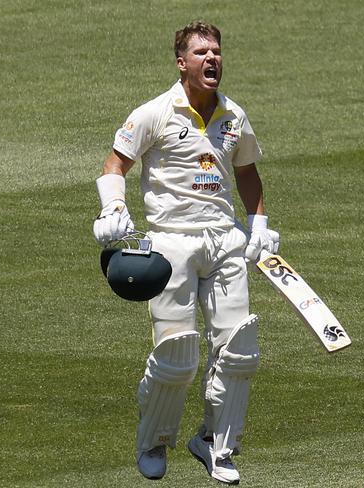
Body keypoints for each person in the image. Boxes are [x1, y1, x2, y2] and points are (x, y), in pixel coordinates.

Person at [92, 21, 279, 485]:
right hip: (170, 242)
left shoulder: (233, 116)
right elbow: (114, 165)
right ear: (182, 62)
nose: (212, 59)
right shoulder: (156, 112)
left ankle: (217, 445)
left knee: (239, 352)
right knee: (178, 356)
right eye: (201, 53)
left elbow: (248, 173)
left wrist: (259, 224)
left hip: (224, 239)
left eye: (216, 51)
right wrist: (114, 207)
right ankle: (154, 439)